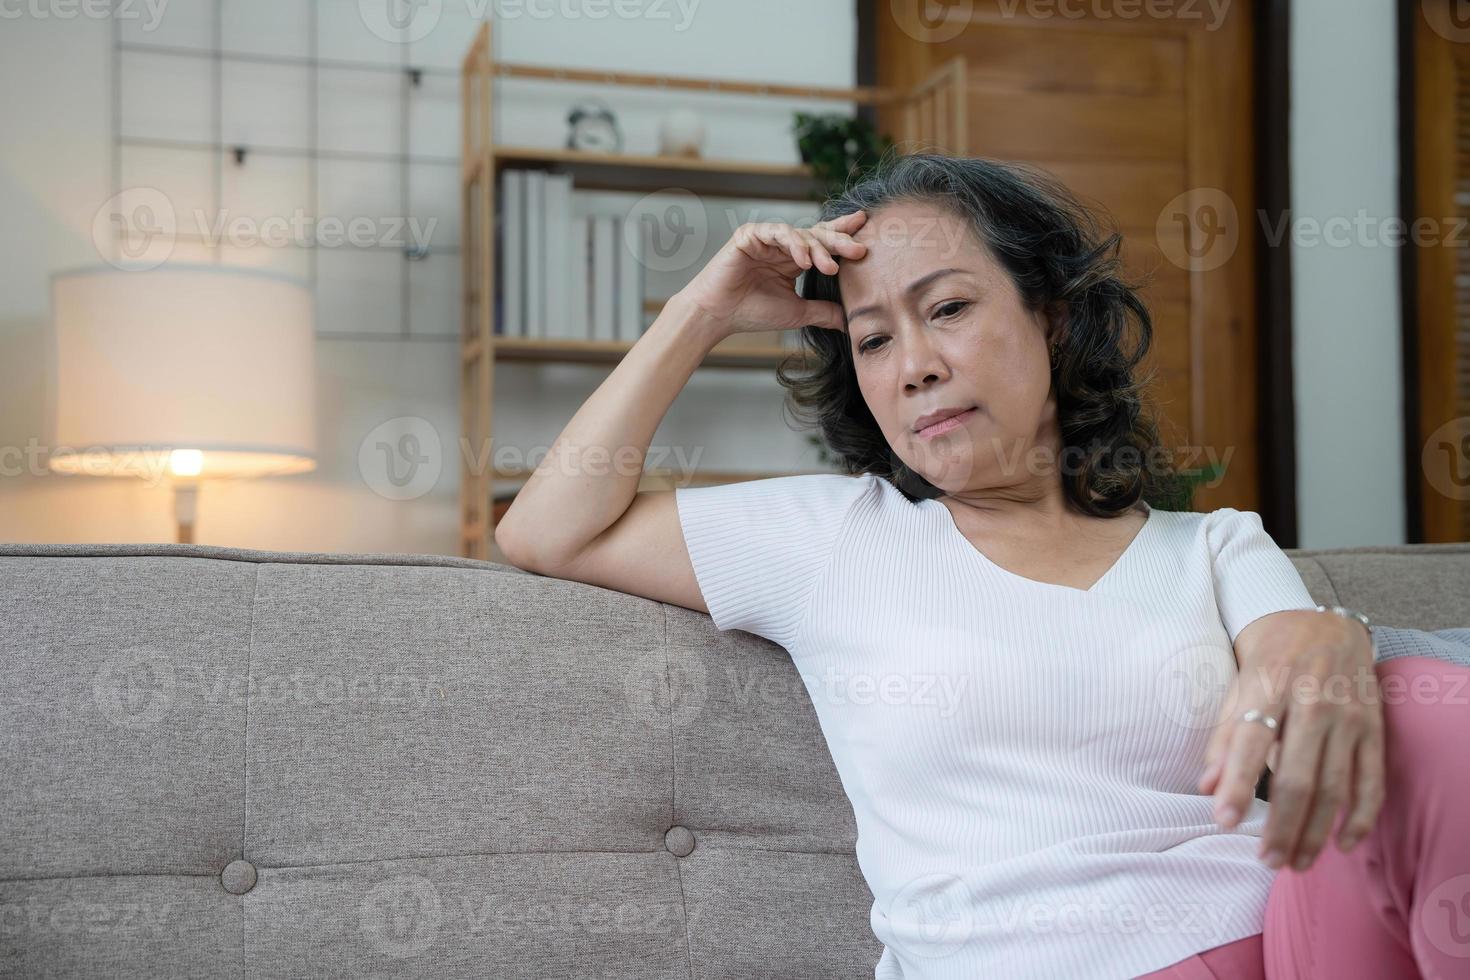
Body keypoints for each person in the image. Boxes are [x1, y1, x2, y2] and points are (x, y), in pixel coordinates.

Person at [494, 151, 1470, 978]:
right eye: (874, 337)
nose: (913, 363)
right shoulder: (835, 540)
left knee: (1429, 704)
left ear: (1048, 317)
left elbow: (1313, 676)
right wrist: (702, 309)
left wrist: (1335, 639)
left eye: (948, 307)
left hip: (1285, 937)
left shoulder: (1212, 545)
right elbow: (548, 529)